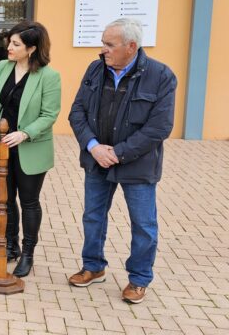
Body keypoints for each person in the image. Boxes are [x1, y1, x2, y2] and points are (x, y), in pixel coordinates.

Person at [68, 18, 176, 304]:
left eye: (109, 44)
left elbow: (159, 127)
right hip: (96, 161)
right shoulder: (95, 70)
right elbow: (77, 112)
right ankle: (93, 266)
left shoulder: (161, 75)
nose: (102, 50)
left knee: (143, 224)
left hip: (136, 165)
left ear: (131, 47)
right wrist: (93, 147)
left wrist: (117, 152)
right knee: (93, 216)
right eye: (102, 43)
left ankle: (139, 279)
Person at [0, 21, 61, 277]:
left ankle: (28, 254)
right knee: (5, 199)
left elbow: (49, 114)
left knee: (29, 202)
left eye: (16, 44)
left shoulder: (49, 76)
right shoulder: (2, 68)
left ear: (32, 48)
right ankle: (10, 246)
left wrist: (25, 133)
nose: (9, 47)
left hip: (30, 148)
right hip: (2, 148)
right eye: (10, 42)